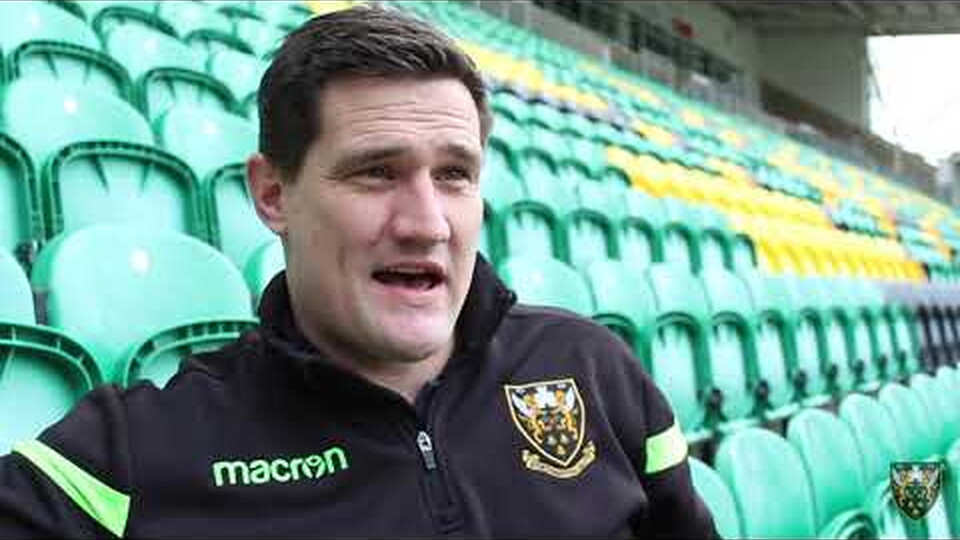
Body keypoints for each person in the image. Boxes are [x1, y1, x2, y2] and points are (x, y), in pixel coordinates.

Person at [0, 5, 718, 538]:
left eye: (455, 175)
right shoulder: (141, 451)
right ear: (273, 194)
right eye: (376, 172)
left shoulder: (595, 370)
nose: (427, 222)